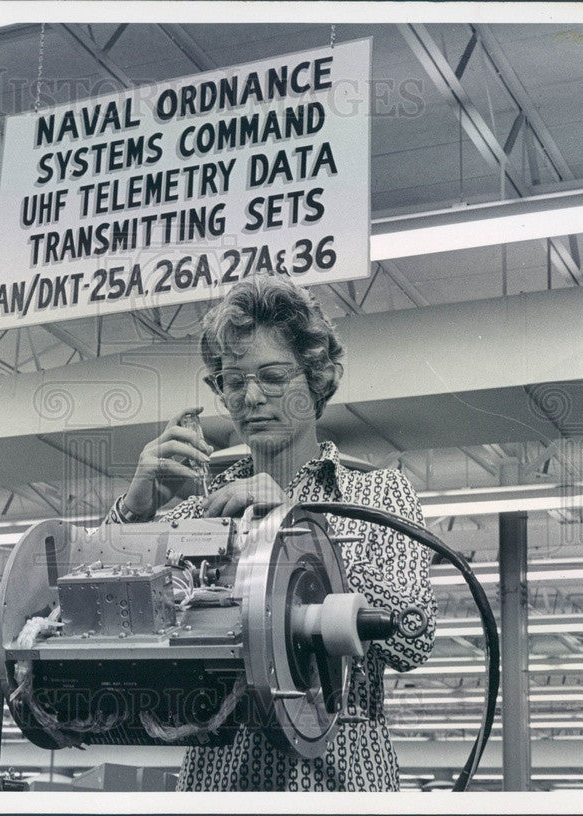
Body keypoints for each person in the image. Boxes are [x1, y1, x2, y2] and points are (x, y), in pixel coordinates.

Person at [104, 275, 436, 791]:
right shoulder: (201, 511)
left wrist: (300, 526)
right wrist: (135, 511)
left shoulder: (378, 496)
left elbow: (412, 637)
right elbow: (94, 613)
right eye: (234, 382)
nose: (251, 397)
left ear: (316, 378)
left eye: (274, 376)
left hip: (341, 787)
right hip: (218, 787)